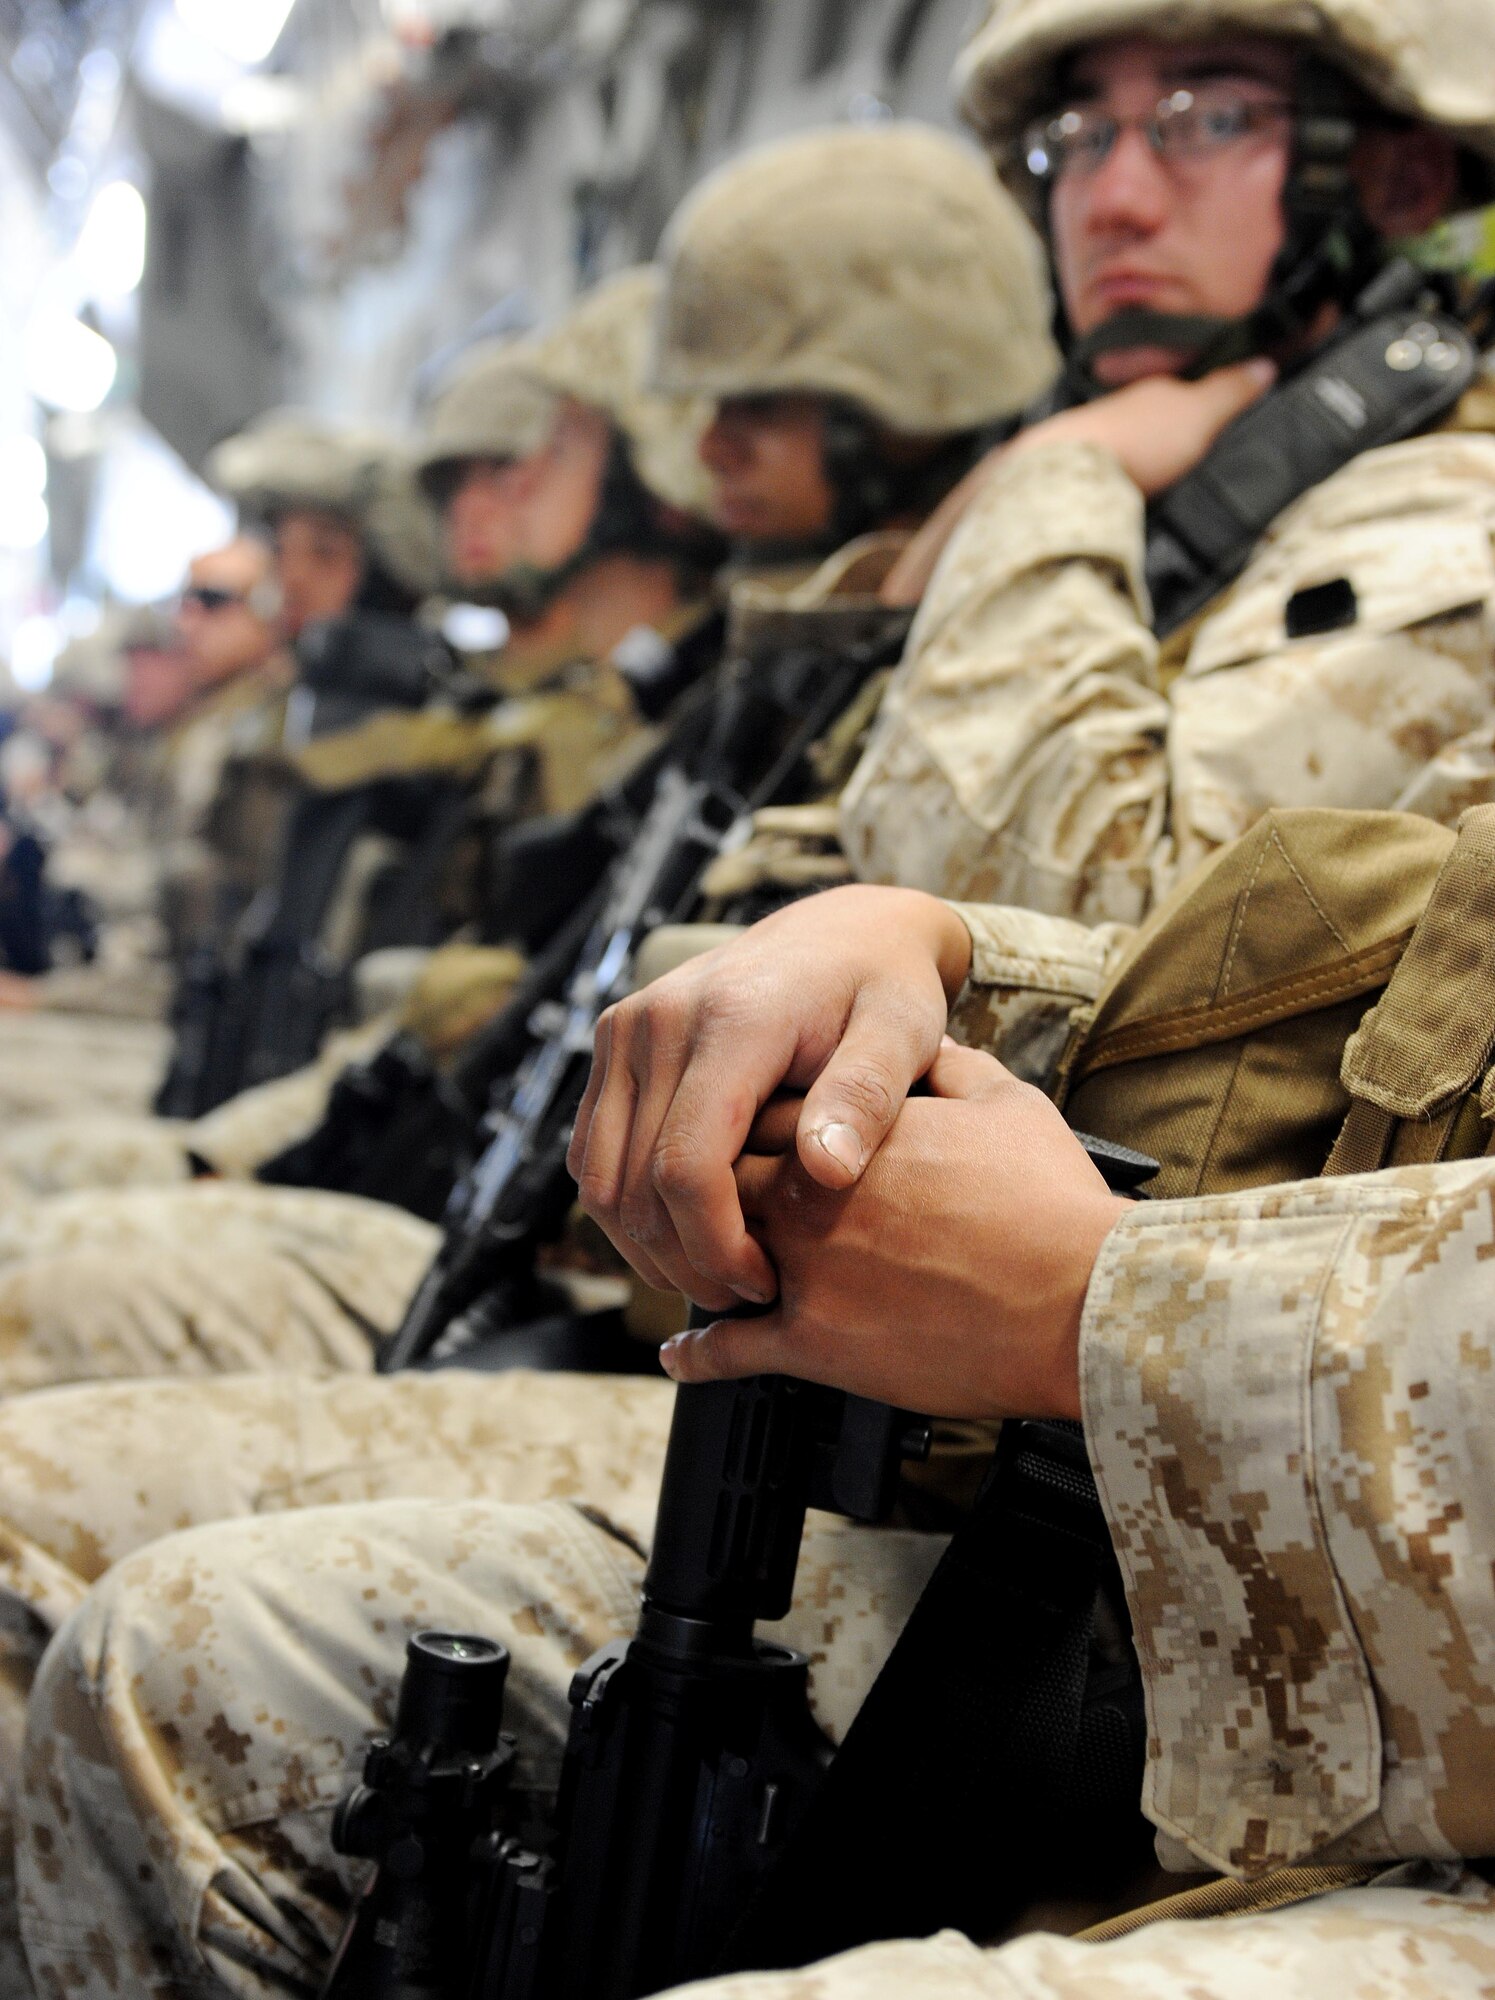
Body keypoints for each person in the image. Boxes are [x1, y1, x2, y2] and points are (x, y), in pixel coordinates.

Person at [8, 6, 1495, 1995]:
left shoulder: (1388, 524)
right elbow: (1179, 942)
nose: (1114, 194)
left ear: (1394, 176)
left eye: (1208, 122)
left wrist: (1044, 499)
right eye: (1079, 144)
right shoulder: (1209, 522)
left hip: (1107, 1502)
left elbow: (1064, 909)